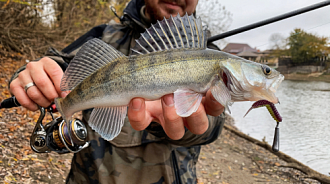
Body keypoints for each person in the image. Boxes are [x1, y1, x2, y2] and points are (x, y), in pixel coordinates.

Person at [9, 0, 226, 183]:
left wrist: (180, 121)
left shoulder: (210, 55)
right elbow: (62, 65)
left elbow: (213, 128)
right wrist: (34, 77)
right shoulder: (105, 36)